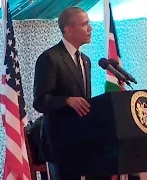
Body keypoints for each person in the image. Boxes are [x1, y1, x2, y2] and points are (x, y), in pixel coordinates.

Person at [33, 7, 102, 180]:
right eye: (85, 24)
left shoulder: (86, 60)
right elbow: (40, 101)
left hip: (84, 141)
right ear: (68, 29)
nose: (90, 28)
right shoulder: (50, 58)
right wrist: (67, 101)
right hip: (60, 143)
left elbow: (85, 100)